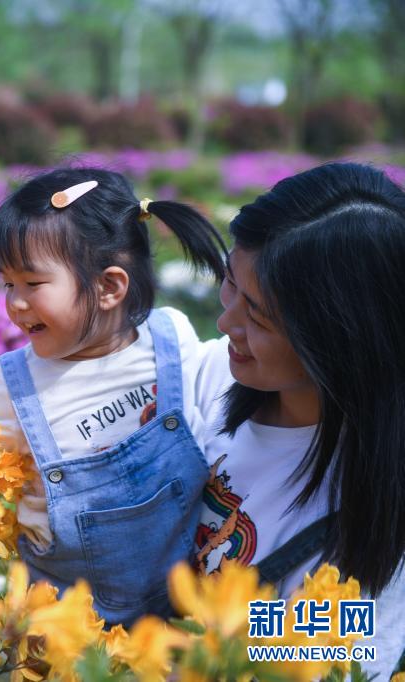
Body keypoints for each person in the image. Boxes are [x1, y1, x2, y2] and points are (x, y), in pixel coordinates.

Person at [0, 166, 227, 626]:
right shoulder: (12, 386)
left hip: (181, 621)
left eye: (32, 284)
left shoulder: (170, 339)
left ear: (109, 287)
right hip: (67, 634)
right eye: (7, 284)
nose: (15, 302)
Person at [193, 162, 405, 679]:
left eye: (258, 316)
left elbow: (322, 657)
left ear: (338, 342)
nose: (226, 324)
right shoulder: (208, 377)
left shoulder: (371, 508)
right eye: (229, 284)